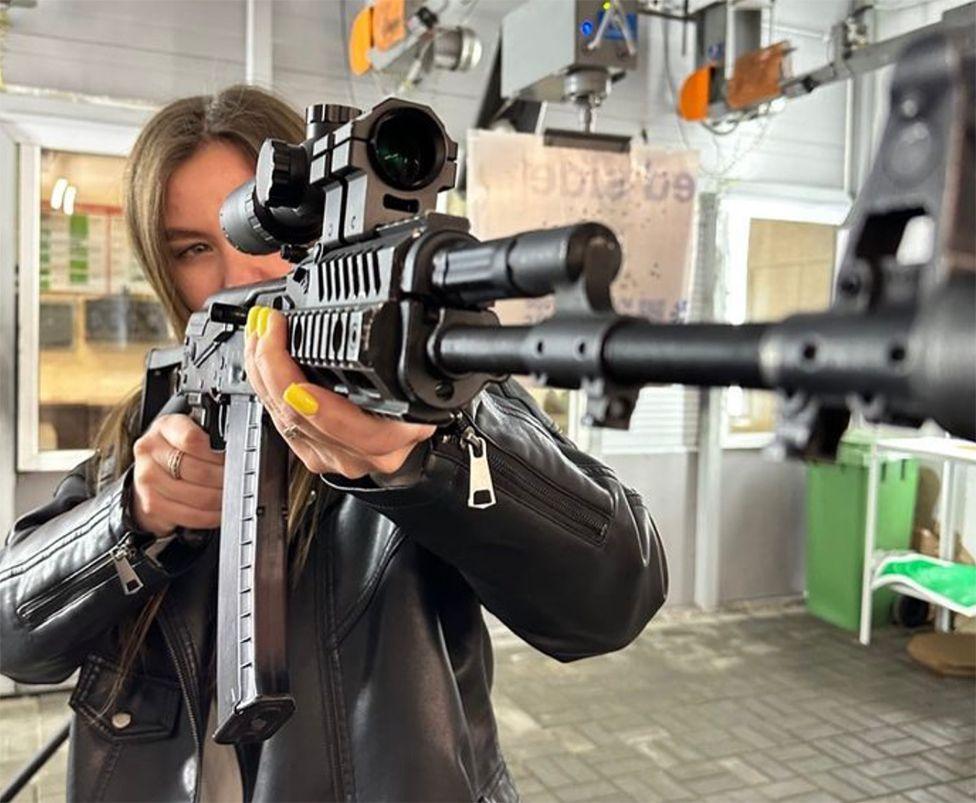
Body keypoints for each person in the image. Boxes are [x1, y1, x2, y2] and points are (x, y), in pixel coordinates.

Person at [0, 85, 668, 802]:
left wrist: (426, 460)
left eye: (273, 238)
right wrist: (129, 519)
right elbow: (16, 640)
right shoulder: (150, 426)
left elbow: (617, 595)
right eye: (194, 248)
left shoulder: (439, 401)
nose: (243, 274)